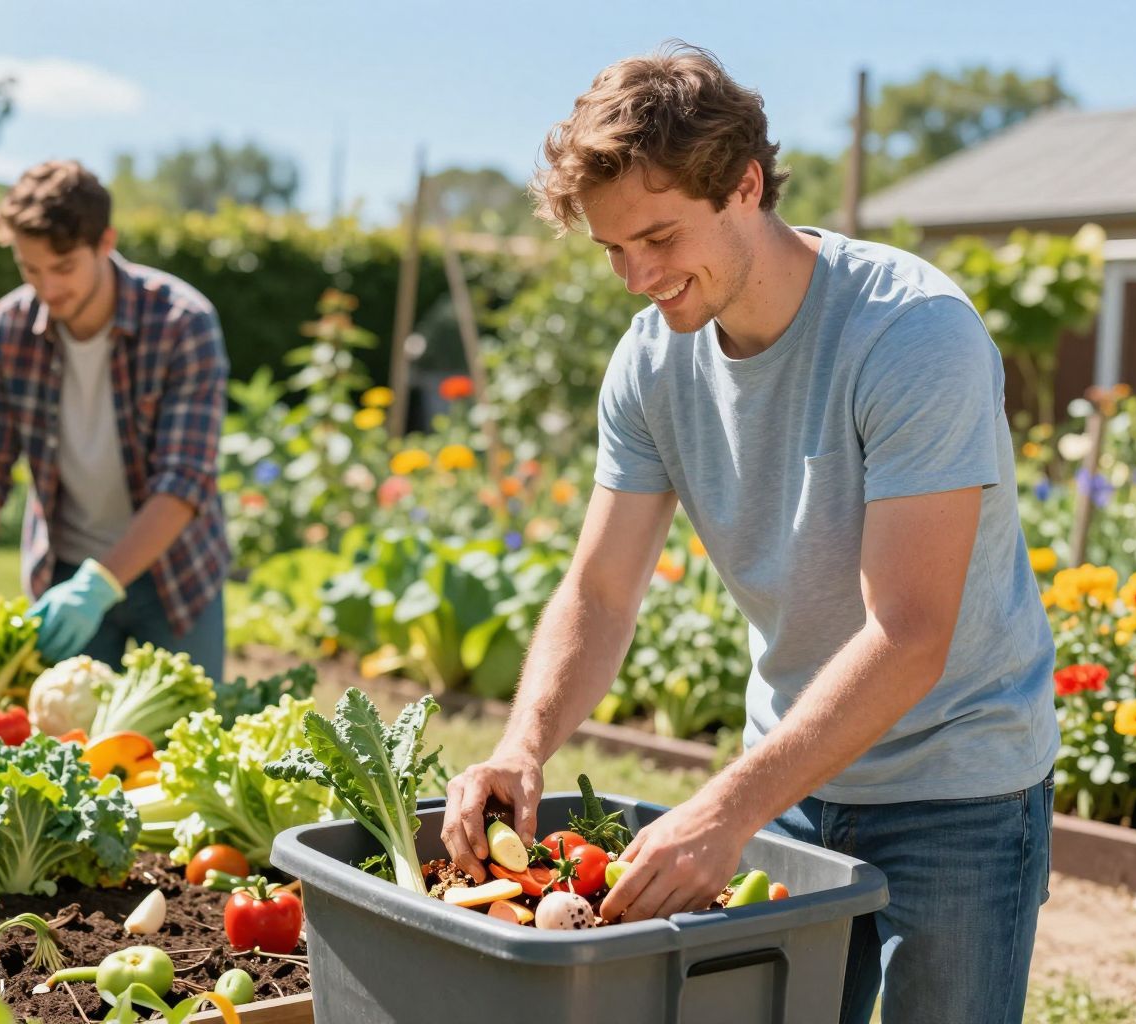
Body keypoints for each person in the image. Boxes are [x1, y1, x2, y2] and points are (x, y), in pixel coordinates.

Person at [441, 43, 1057, 1024]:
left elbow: (910, 633)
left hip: (956, 783)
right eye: (611, 249)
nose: (637, 275)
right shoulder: (650, 363)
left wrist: (725, 810)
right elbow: (602, 589)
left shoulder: (910, 334)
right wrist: (522, 743)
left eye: (657, 236)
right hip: (793, 773)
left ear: (745, 185)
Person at [0, 159, 230, 682]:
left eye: (64, 267)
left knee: (184, 749)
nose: (47, 288)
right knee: (74, 750)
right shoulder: (7, 332)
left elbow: (184, 480)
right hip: (63, 574)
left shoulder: (182, 323)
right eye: (30, 269)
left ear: (105, 242)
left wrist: (100, 586)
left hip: (175, 574)